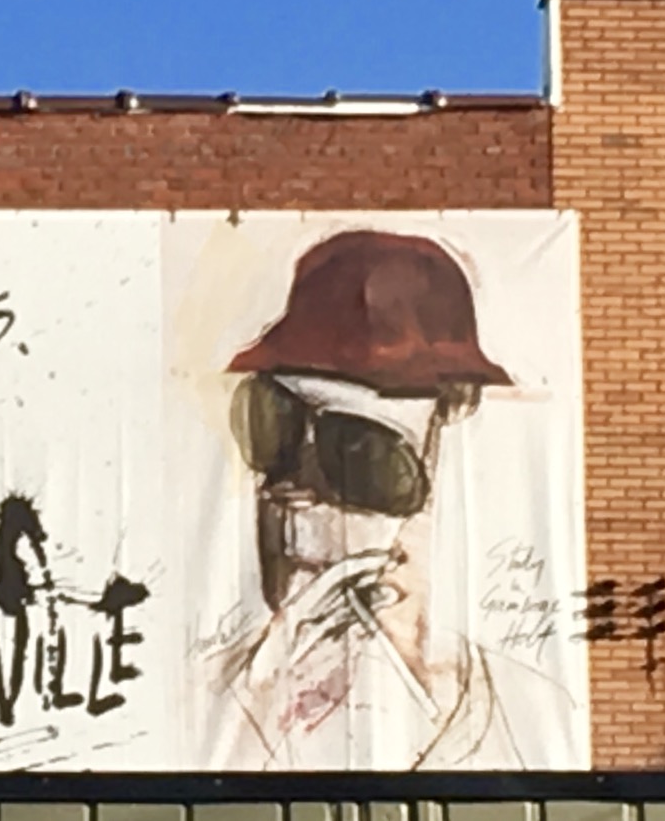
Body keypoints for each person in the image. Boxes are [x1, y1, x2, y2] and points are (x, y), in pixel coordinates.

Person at [200, 230, 566, 769]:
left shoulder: (530, 715)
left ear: (446, 435)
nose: (291, 494)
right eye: (272, 432)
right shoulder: (202, 704)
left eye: (357, 452)